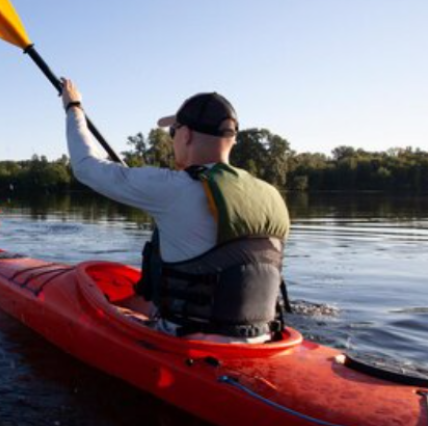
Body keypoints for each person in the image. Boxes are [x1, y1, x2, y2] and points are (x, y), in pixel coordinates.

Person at [60, 78, 290, 343]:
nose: (172, 140)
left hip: (187, 343)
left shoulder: (175, 188)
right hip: (263, 340)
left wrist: (73, 107)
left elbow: (85, 166)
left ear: (187, 134)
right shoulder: (271, 195)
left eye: (173, 132)